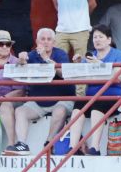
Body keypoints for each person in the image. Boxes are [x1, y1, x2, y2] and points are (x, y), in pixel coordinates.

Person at [63, 24, 121, 157]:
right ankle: (73, 148)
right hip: (92, 95)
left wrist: (98, 64)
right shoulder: (89, 56)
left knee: (97, 106)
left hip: (112, 96)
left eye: (100, 37)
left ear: (109, 40)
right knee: (78, 107)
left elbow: (118, 76)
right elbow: (79, 77)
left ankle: (95, 148)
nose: (97, 40)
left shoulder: (119, 54)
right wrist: (78, 65)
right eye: (95, 37)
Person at [4, 28, 72, 156]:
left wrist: (46, 58)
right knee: (20, 111)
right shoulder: (32, 55)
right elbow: (19, 71)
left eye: (49, 39)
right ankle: (22, 145)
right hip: (39, 100)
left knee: (60, 111)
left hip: (61, 99)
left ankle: (49, 144)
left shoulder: (61, 54)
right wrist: (21, 60)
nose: (46, 42)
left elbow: (64, 74)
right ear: (37, 41)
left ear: (54, 42)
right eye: (42, 39)